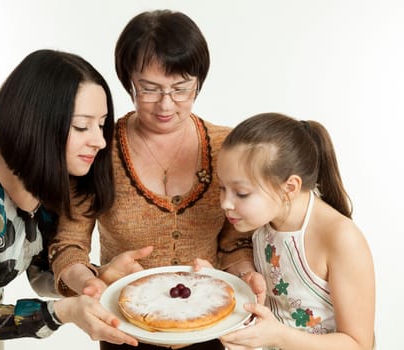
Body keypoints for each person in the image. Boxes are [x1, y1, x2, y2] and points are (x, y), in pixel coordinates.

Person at [0, 49, 146, 349]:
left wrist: (92, 280)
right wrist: (65, 313)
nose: (100, 141)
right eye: (81, 126)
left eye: (101, 124)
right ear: (37, 121)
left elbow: (41, 275)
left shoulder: (56, 173)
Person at [48, 9, 255, 350]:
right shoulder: (98, 148)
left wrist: (247, 275)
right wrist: (91, 284)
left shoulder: (227, 147)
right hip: (126, 330)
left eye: (181, 89)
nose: (166, 104)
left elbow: (235, 241)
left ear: (198, 83)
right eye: (149, 88)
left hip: (212, 326)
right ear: (128, 81)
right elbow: (68, 244)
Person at [212, 112, 375, 350]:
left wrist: (278, 336)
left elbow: (359, 345)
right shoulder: (262, 222)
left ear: (289, 187)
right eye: (222, 187)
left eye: (242, 193)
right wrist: (213, 281)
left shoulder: (341, 238)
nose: (225, 203)